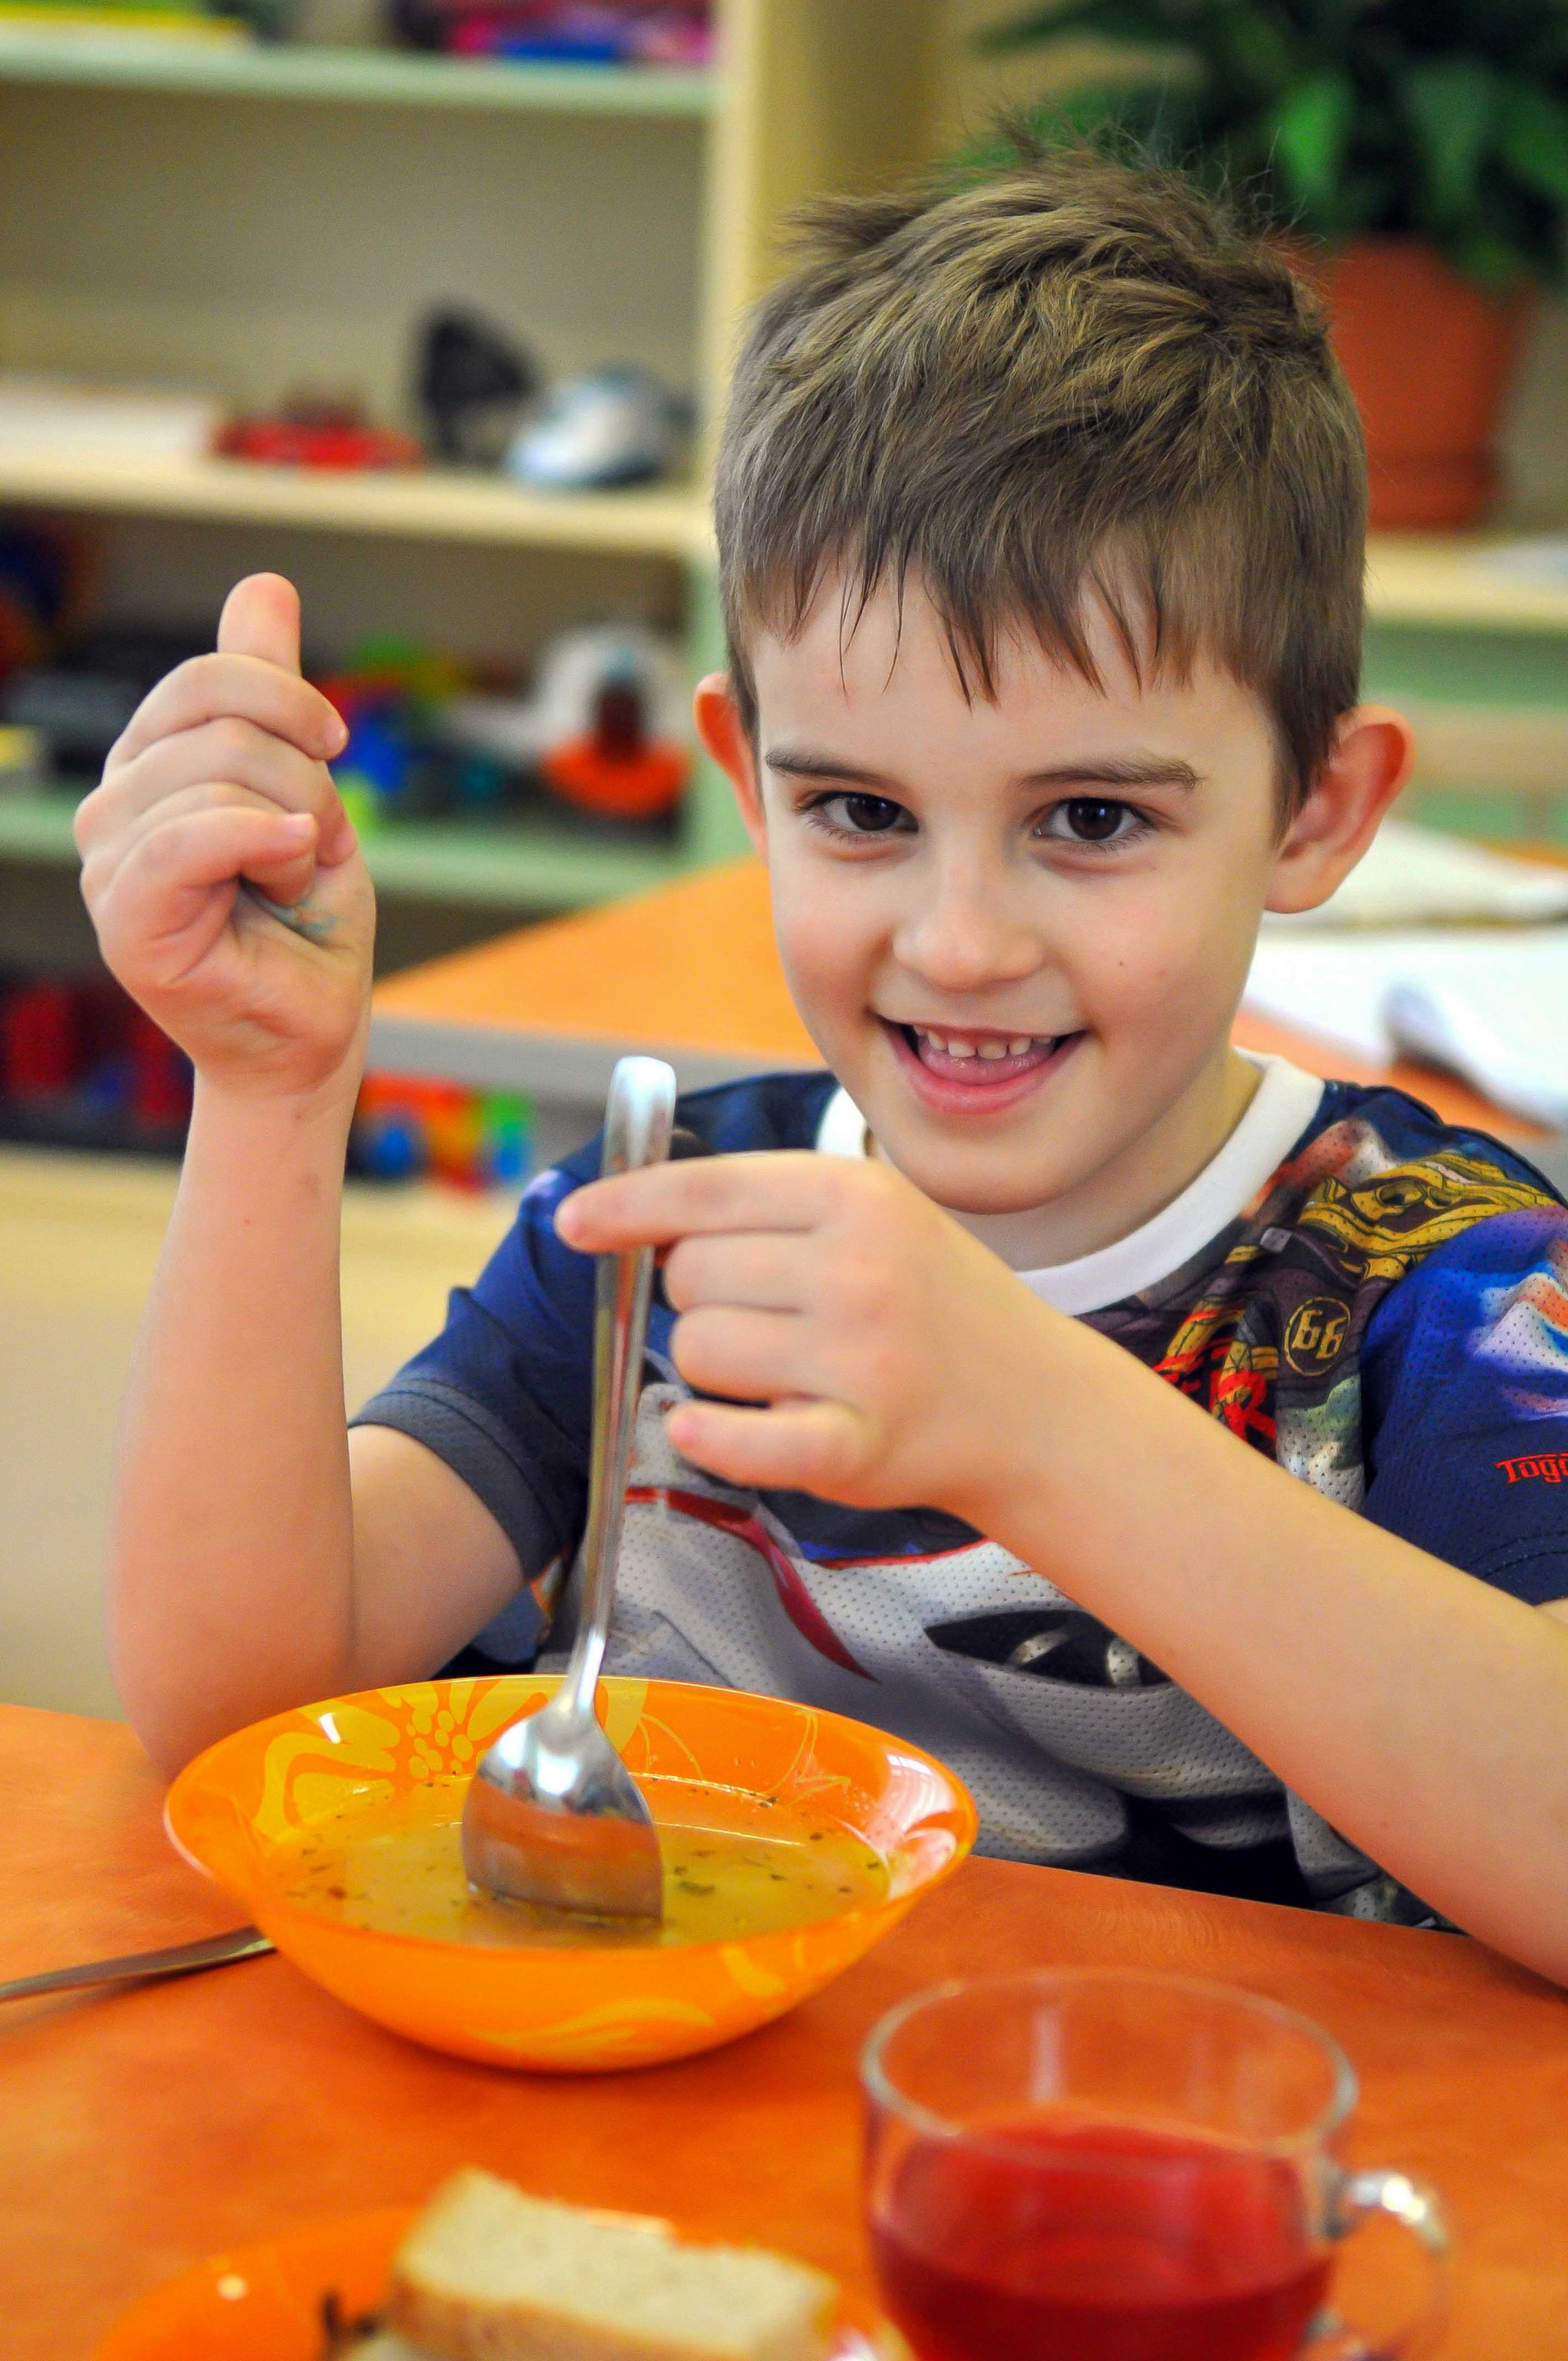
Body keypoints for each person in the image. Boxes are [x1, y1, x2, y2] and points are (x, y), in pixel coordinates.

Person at [77, 144, 1568, 1978]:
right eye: (859, 808)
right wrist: (271, 1090)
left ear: (1317, 809)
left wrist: (1033, 1423)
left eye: (1092, 816)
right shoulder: (655, 1239)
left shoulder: (1446, 1283)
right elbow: (247, 1710)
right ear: (745, 776)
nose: (956, 942)